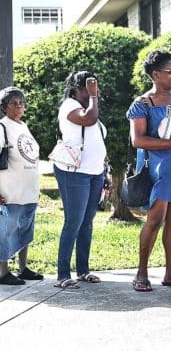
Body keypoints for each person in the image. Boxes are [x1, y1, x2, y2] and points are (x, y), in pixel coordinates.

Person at [127, 50, 171, 292]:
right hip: (158, 168)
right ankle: (141, 273)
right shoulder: (142, 104)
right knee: (154, 220)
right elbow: (137, 140)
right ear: (155, 74)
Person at [53, 71, 107, 289]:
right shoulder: (69, 105)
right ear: (78, 89)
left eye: (95, 86)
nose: (94, 90)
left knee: (87, 223)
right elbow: (88, 119)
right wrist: (93, 97)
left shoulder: (91, 108)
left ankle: (83, 270)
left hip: (94, 173)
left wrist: (104, 173)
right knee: (73, 222)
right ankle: (62, 274)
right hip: (73, 173)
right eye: (89, 87)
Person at [0, 87, 43, 285]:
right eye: (13, 103)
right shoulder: (2, 127)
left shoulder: (23, 126)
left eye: (21, 103)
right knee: (6, 232)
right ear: (3, 107)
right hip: (10, 192)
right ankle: (2, 272)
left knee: (25, 232)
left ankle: (23, 268)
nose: (18, 106)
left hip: (29, 192)